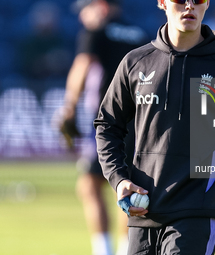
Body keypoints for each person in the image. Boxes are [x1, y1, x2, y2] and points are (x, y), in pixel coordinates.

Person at [94, 0, 215, 254]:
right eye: (180, 0)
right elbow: (107, 124)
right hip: (143, 214)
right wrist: (119, 180)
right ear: (162, 2)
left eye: (198, 0)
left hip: (198, 213)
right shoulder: (135, 63)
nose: (189, 7)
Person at [59, 0, 149, 254]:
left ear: (100, 6)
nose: (82, 18)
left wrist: (68, 109)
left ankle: (104, 251)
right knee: (128, 188)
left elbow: (82, 66)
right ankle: (125, 250)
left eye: (85, 11)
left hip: (108, 120)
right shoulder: (141, 34)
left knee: (89, 184)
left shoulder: (96, 31)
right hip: (140, 121)